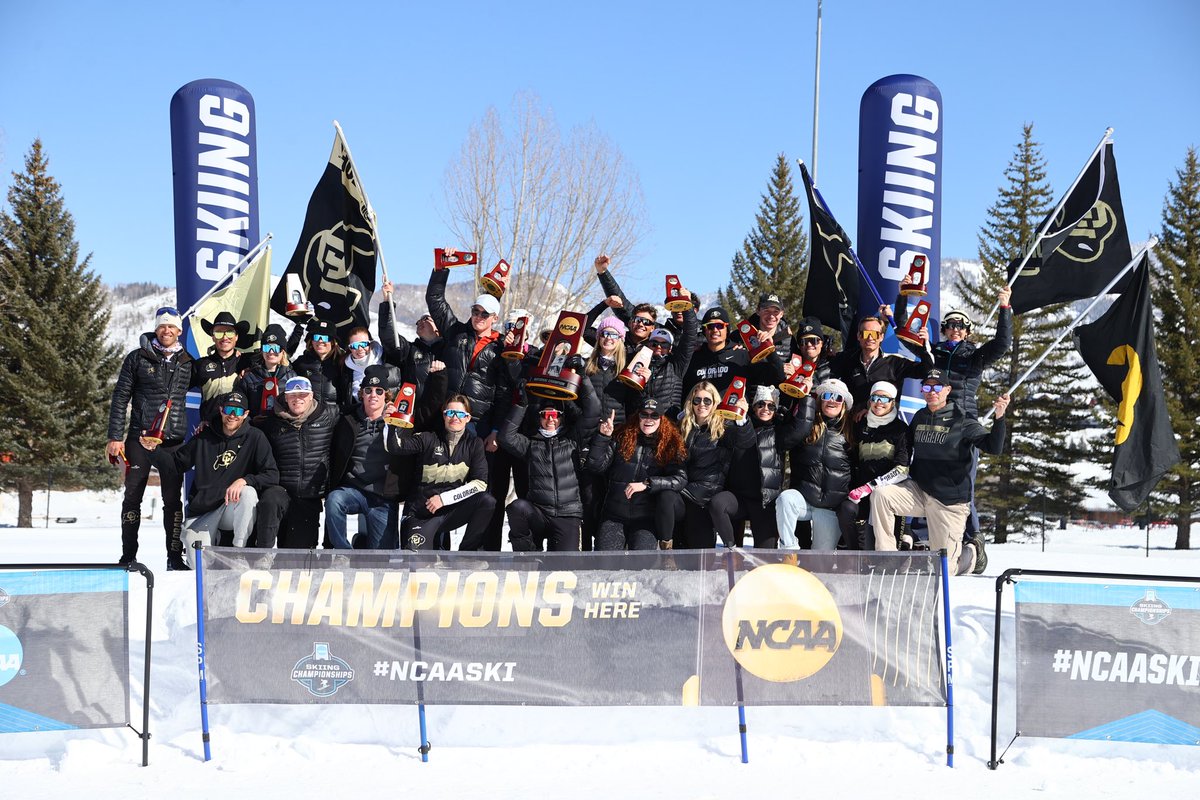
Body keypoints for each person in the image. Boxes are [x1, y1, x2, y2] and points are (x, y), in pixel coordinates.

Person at [869, 369, 1010, 575]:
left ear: (947, 389)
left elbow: (993, 447)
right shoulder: (920, 416)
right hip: (919, 491)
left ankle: (972, 552)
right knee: (882, 495)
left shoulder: (962, 419)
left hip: (948, 502)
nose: (931, 391)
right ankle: (887, 557)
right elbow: (901, 438)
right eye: (927, 387)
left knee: (944, 571)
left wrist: (999, 417)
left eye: (937, 387)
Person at [106, 306, 195, 569]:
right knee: (133, 495)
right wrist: (115, 436)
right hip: (139, 438)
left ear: (179, 330)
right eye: (162, 326)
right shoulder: (137, 358)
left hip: (172, 442)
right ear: (156, 329)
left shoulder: (188, 362)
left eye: (172, 327)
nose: (166, 330)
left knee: (172, 500)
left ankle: (173, 557)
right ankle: (128, 556)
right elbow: (120, 397)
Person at [164, 391, 279, 565]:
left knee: (247, 493)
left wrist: (245, 480)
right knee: (198, 567)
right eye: (229, 409)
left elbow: (272, 474)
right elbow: (174, 465)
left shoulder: (255, 437)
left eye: (238, 411)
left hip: (230, 508)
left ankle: (238, 551)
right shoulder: (203, 438)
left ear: (246, 414)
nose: (233, 415)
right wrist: (152, 451)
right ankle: (210, 547)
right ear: (221, 410)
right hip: (204, 512)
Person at [386, 394, 495, 551]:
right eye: (450, 413)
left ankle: (467, 554)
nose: (455, 417)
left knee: (487, 501)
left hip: (449, 512)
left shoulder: (474, 444)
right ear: (444, 415)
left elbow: (480, 484)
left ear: (468, 418)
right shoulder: (428, 438)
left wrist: (444, 499)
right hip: (421, 513)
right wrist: (391, 422)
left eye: (460, 414)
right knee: (417, 564)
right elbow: (397, 447)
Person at [709, 385, 807, 548]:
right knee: (718, 503)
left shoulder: (779, 432)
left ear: (776, 409)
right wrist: (740, 417)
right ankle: (730, 549)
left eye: (770, 405)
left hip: (764, 502)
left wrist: (806, 396)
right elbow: (735, 438)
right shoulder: (736, 426)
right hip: (737, 498)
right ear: (752, 407)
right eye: (760, 404)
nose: (765, 409)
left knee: (766, 558)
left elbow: (802, 427)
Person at [587, 399, 688, 551]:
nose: (648, 419)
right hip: (614, 515)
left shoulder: (669, 444)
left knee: (641, 566)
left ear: (661, 419)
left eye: (654, 416)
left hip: (645, 519)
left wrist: (648, 484)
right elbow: (596, 466)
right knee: (605, 564)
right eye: (644, 415)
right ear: (638, 417)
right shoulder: (622, 437)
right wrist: (603, 437)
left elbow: (680, 479)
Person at [657, 381, 748, 548]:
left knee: (700, 562)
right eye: (697, 400)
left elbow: (744, 441)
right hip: (682, 495)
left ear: (715, 403)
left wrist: (742, 419)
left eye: (707, 401)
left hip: (704, 501)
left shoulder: (724, 428)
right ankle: (665, 547)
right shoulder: (682, 427)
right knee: (666, 497)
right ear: (690, 403)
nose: (702, 405)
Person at [256, 376, 339, 549]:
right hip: (282, 490)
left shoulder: (329, 415)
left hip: (309, 497)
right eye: (292, 395)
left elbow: (358, 418)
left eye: (302, 394)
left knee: (296, 557)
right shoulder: (271, 421)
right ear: (285, 397)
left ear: (311, 396)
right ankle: (262, 556)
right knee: (270, 499)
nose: (297, 399)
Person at [325, 364, 402, 549]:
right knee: (334, 500)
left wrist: (393, 425)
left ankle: (364, 545)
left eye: (379, 390)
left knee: (381, 559)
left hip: (382, 496)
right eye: (368, 390)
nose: (373, 395)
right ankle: (344, 553)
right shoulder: (348, 418)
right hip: (354, 489)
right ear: (362, 394)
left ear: (386, 395)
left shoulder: (399, 420)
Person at [775, 378, 855, 550]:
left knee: (820, 561)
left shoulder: (852, 430)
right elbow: (786, 440)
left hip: (830, 507)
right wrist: (806, 401)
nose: (832, 400)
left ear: (844, 405)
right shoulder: (806, 426)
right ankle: (788, 550)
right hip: (805, 500)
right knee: (785, 499)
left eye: (838, 397)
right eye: (827, 395)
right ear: (819, 400)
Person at [499, 399, 585, 552]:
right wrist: (521, 405)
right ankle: (529, 555)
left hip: (568, 514)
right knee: (517, 508)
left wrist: (568, 399)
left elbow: (591, 414)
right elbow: (506, 437)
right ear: (539, 418)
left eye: (554, 414)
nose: (550, 419)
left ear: (561, 417)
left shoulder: (572, 439)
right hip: (539, 513)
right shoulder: (531, 444)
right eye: (545, 415)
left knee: (564, 568)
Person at [838, 381, 909, 550]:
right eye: (875, 397)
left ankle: (907, 537)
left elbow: (902, 470)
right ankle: (853, 554)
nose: (879, 403)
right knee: (845, 509)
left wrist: (871, 487)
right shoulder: (859, 423)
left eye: (885, 399)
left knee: (881, 555)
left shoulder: (901, 430)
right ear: (869, 401)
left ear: (893, 402)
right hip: (861, 496)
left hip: (886, 496)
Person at [830, 314, 931, 420]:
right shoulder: (847, 361)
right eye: (866, 333)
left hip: (885, 429)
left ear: (881, 337)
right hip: (853, 427)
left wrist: (923, 346)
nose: (870, 338)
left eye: (875, 334)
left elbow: (926, 371)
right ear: (859, 336)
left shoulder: (893, 362)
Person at [683, 306, 784, 401]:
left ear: (727, 329)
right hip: (702, 416)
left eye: (720, 326)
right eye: (710, 326)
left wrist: (770, 350)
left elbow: (777, 377)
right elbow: (684, 393)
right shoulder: (694, 358)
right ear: (704, 330)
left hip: (732, 417)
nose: (715, 330)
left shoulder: (742, 356)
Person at [379, 278, 443, 394]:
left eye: (425, 319)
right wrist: (387, 302)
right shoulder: (409, 350)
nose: (420, 322)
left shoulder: (449, 349)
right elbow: (389, 337)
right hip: (412, 408)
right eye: (418, 321)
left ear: (438, 327)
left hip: (443, 410)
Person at [192, 310, 250, 419]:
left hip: (238, 429)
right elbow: (176, 389)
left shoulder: (247, 361)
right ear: (212, 336)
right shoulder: (201, 364)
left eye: (229, 332)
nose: (224, 337)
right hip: (209, 429)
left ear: (236, 336)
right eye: (218, 333)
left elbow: (277, 356)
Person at [236, 323, 296, 423]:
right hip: (256, 430)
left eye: (276, 348)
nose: (271, 352)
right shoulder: (249, 377)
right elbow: (239, 405)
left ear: (283, 352)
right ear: (262, 351)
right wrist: (251, 420)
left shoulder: (292, 377)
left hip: (283, 430)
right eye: (267, 348)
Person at [289, 318, 344, 408]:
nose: (320, 341)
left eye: (325, 338)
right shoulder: (301, 363)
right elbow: (283, 360)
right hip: (309, 416)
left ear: (333, 342)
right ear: (311, 341)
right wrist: (299, 329)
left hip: (336, 416)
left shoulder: (343, 362)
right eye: (316, 337)